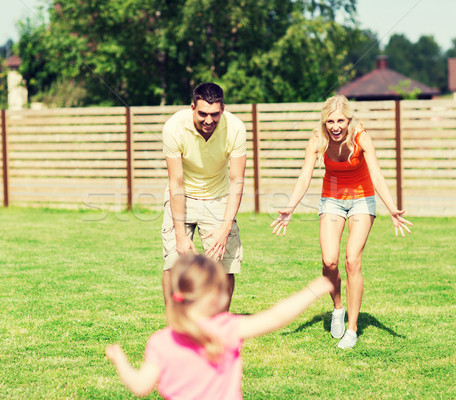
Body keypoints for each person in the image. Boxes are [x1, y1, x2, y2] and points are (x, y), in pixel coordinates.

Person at [270, 95, 412, 349]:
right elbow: (305, 176)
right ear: (324, 122)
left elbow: (377, 174)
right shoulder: (317, 140)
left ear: (349, 120)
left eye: (340, 121)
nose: (335, 127)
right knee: (329, 261)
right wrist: (290, 208)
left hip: (362, 199)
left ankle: (352, 328)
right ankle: (338, 308)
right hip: (332, 199)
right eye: (330, 121)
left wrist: (392, 209)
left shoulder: (361, 138)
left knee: (352, 259)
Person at [106, 254, 333, 399]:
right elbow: (275, 317)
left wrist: (120, 360)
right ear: (216, 298)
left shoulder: (161, 341)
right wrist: (311, 291)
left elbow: (140, 386)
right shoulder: (226, 329)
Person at [161, 82, 247, 311]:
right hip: (183, 197)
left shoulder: (236, 128)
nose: (209, 120)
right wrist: (180, 234)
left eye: (214, 114)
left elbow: (237, 180)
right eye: (202, 114)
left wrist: (225, 227)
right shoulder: (173, 128)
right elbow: (176, 182)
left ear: (223, 109)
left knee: (225, 267)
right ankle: (175, 329)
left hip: (218, 198)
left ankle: (220, 326)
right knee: (172, 264)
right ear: (192, 108)